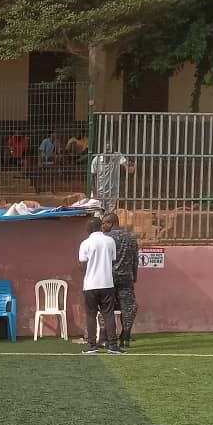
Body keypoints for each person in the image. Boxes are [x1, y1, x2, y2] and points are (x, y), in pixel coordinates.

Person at [79, 217, 121, 354]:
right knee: (108, 314)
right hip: (107, 283)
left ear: (89, 229)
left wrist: (88, 276)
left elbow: (82, 263)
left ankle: (92, 345)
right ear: (100, 227)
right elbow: (113, 260)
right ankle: (113, 345)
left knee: (91, 315)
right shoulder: (110, 241)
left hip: (90, 284)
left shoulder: (85, 243)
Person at [101, 212, 139, 348]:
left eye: (104, 223)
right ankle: (126, 335)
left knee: (106, 307)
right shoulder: (131, 238)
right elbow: (135, 260)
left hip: (109, 278)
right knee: (128, 307)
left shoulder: (106, 238)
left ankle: (105, 338)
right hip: (126, 278)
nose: (103, 226)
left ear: (111, 223)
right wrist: (134, 276)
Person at [90, 142, 136, 212]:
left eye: (111, 150)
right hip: (99, 192)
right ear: (103, 150)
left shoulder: (117, 156)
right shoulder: (96, 160)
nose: (109, 151)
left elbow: (127, 167)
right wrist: (95, 193)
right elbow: (92, 178)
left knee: (110, 213)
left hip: (112, 193)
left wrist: (130, 167)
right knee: (98, 213)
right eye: (107, 149)